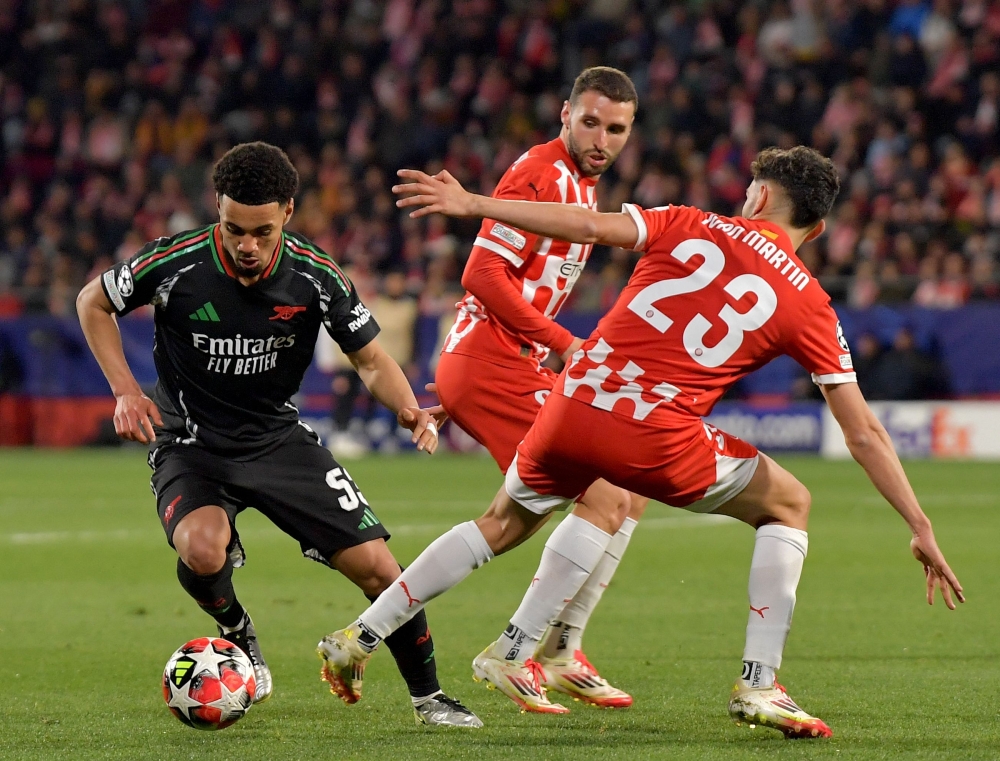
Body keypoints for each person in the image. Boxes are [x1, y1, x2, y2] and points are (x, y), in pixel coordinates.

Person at [320, 146, 964, 738]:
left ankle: (363, 634)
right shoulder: (811, 304)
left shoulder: (691, 221)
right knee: (788, 503)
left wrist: (474, 205)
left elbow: (593, 227)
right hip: (652, 433)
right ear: (817, 230)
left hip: (570, 403)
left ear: (760, 198)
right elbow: (862, 430)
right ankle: (758, 685)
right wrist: (919, 522)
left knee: (500, 522)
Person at [75, 141, 481, 728]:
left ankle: (429, 696)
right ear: (217, 206)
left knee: (380, 569)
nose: (246, 244)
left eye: (261, 231)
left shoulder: (316, 276)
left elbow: (369, 359)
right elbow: (93, 301)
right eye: (234, 227)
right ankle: (238, 631)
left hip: (277, 439)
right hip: (191, 442)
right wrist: (125, 389)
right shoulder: (176, 260)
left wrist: (408, 408)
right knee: (201, 546)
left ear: (288, 212)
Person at [429, 66, 647, 709]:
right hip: (495, 361)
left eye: (616, 129)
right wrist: (562, 344)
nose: (602, 138)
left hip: (510, 363)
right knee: (596, 496)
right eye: (590, 122)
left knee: (628, 490)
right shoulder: (542, 174)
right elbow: (482, 275)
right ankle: (519, 650)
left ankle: (559, 648)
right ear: (564, 114)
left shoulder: (579, 188)